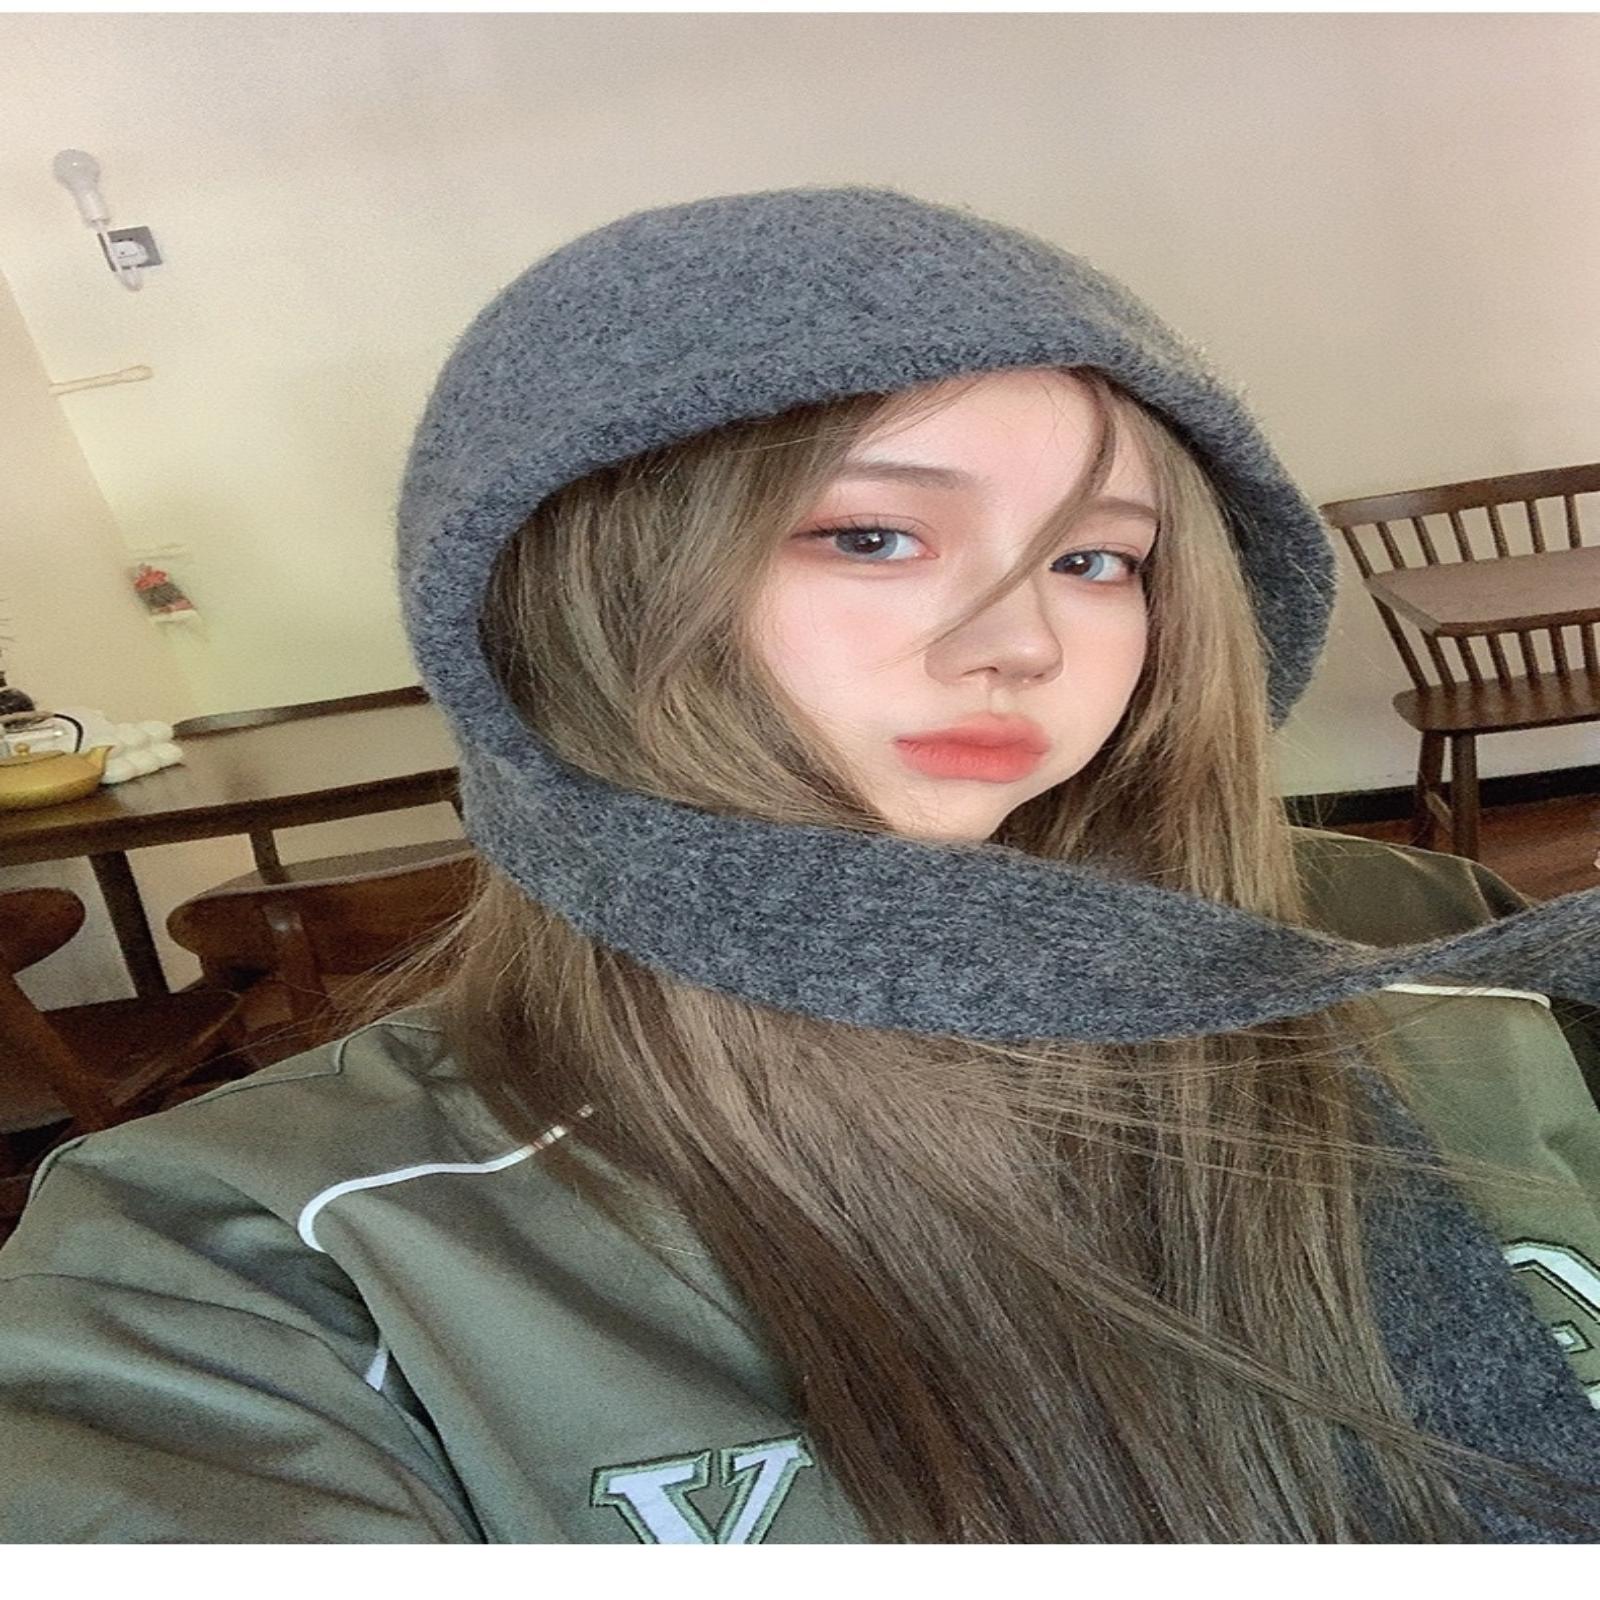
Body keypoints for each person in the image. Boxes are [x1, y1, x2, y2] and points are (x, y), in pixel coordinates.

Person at [4, 183, 1600, 1545]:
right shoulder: (240, 1261)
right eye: (871, 535)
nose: (1023, 643)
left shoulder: (1417, 937)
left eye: (1097, 557)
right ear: (582, 582)